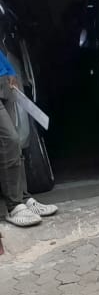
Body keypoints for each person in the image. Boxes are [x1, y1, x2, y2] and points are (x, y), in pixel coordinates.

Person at [0, 49, 56, 228]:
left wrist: (9, 70)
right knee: (10, 140)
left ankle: (23, 198)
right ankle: (14, 206)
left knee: (16, 142)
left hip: (3, 80)